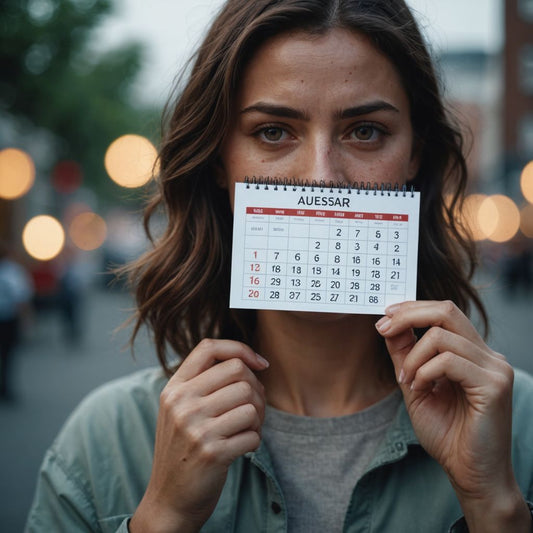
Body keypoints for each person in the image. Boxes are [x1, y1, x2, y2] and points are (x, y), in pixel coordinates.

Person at [26, 1, 533, 531]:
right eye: (273, 131)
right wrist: (162, 518)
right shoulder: (104, 443)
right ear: (220, 161)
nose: (320, 179)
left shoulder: (516, 427)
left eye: (365, 131)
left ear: (414, 156)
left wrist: (496, 508)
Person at [0, 241, 33, 400]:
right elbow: (21, 298)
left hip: (7, 318)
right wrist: (26, 319)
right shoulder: (13, 271)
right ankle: (5, 387)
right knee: (7, 355)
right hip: (8, 320)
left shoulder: (13, 271)